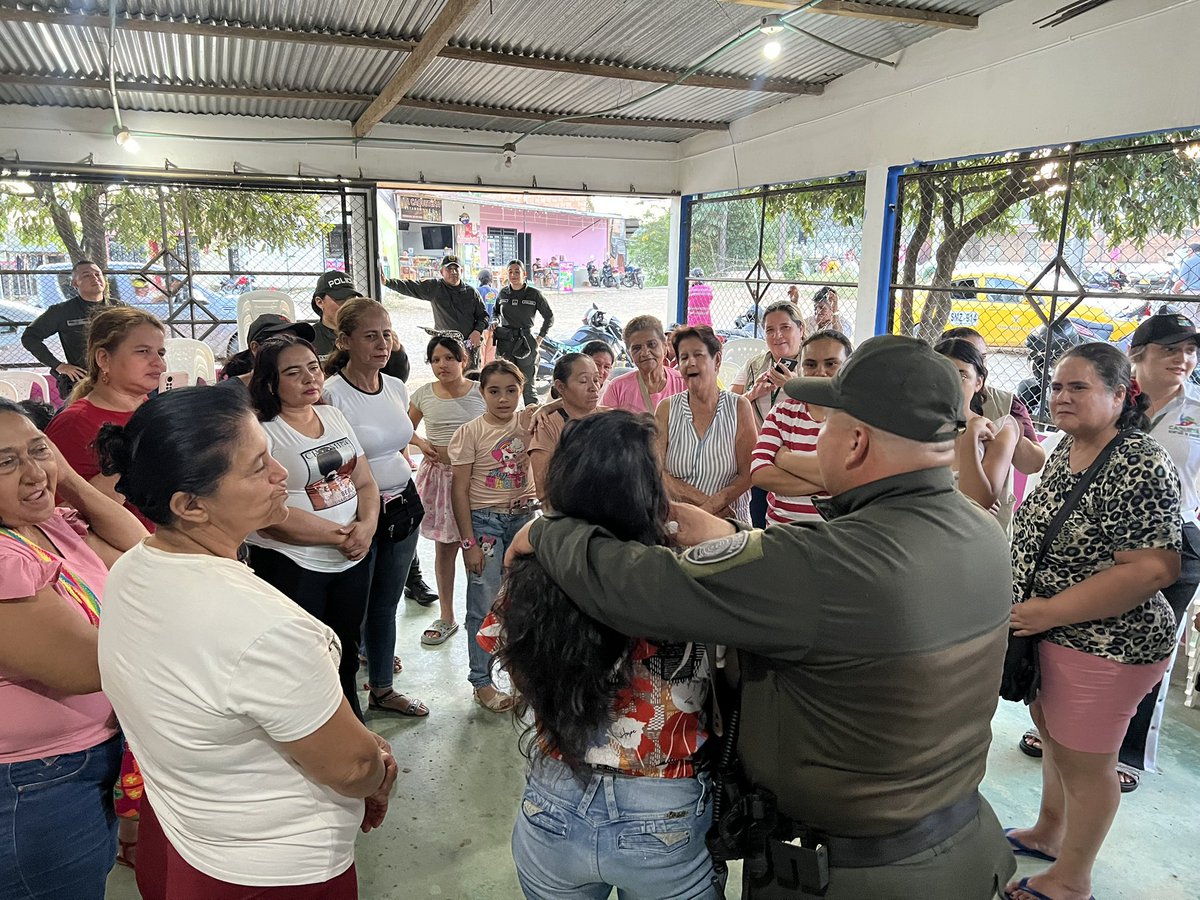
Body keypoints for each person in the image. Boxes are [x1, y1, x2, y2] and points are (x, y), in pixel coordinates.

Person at [508, 335, 1017, 899]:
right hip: (957, 845)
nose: (814, 433)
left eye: (824, 422)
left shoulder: (823, 563)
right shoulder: (981, 531)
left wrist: (551, 529)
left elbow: (636, 587)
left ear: (854, 442)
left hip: (850, 875)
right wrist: (739, 538)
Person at [94, 387, 397, 899]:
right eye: (259, 466)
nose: (282, 474)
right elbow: (350, 766)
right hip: (271, 869)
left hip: (184, 829)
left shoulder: (133, 569)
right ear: (189, 505)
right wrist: (377, 769)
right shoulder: (265, 626)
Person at [482, 411, 718, 899]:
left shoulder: (533, 572)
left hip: (554, 793)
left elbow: (510, 663)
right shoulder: (688, 575)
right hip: (663, 802)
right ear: (645, 489)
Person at [1005, 342, 1181, 900]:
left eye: (1078, 387)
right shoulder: (1071, 448)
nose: (1060, 396)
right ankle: (1050, 832)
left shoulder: (1138, 460)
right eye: (1057, 386)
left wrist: (1050, 610)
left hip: (1107, 645)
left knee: (1087, 764)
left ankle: (1071, 878)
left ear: (1120, 394)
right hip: (1052, 636)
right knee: (1055, 740)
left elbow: (1153, 566)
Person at [0, 399, 146, 900]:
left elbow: (138, 551)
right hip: (31, 784)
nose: (32, 471)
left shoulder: (43, 523)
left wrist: (70, 482)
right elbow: (86, 665)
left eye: (38, 449)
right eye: (5, 461)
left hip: (80, 765)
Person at [244, 338, 380, 720]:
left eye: (313, 367)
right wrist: (341, 536)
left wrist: (367, 526)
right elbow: (269, 513)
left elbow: (365, 482)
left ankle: (353, 724)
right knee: (305, 659)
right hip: (294, 565)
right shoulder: (261, 431)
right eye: (293, 372)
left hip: (350, 560)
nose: (309, 377)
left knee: (347, 652)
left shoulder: (333, 417)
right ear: (270, 383)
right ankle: (316, 736)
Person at [322, 299, 429, 718]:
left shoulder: (396, 386)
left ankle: (382, 689)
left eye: (386, 334)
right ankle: (342, 704)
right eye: (370, 336)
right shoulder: (331, 394)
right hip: (353, 513)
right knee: (353, 608)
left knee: (385, 605)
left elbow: (398, 441)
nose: (382, 344)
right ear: (344, 341)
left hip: (403, 504)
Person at [448, 359, 536, 713]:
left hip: (524, 518)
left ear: (522, 389)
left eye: (511, 390)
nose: (503, 399)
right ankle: (481, 681)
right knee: (483, 604)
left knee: (525, 602)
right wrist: (468, 543)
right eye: (494, 391)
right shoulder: (470, 432)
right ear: (481, 393)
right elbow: (459, 490)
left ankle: (520, 673)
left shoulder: (530, 422)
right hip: (484, 523)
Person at [46, 306, 166, 531]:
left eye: (160, 353)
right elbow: (57, 520)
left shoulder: (154, 410)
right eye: (143, 351)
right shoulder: (74, 424)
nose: (158, 363)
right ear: (103, 358)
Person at [409, 335, 487, 648]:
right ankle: (447, 615)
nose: (443, 365)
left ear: (463, 361)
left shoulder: (481, 391)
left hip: (477, 480)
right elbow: (402, 427)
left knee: (481, 547)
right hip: (439, 480)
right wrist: (421, 443)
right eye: (436, 359)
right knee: (445, 549)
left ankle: (481, 617)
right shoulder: (423, 394)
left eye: (449, 358)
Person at [751, 329, 851, 525]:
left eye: (831, 364)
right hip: (782, 534)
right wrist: (830, 483)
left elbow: (856, 479)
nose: (820, 372)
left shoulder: (859, 417)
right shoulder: (782, 412)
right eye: (810, 364)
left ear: (848, 367)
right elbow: (759, 473)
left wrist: (784, 459)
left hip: (838, 539)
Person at [658, 326, 755, 522]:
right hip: (679, 525)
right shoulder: (666, 409)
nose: (690, 362)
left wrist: (708, 510)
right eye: (683, 357)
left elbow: (749, 474)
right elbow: (657, 472)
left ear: (717, 360)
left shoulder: (739, 407)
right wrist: (706, 507)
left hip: (729, 524)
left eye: (698, 355)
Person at [731, 300, 806, 527]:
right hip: (761, 455)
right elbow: (729, 406)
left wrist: (794, 386)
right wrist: (754, 393)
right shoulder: (755, 365)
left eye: (785, 327)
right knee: (760, 524)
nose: (777, 335)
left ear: (800, 329)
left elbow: (827, 408)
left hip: (799, 456)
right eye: (770, 330)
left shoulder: (813, 365)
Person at [935, 337, 1020, 534]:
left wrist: (971, 435)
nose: (951, 382)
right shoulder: (917, 429)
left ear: (978, 382)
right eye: (942, 373)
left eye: (962, 374)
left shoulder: (998, 432)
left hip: (974, 543)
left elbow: (978, 500)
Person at [941, 326, 1046, 476]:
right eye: (968, 356)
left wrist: (1013, 436)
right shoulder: (919, 408)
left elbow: (1033, 465)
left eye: (982, 357)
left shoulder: (1006, 404)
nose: (980, 365)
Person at [21, 260, 120, 404]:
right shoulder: (62, 311)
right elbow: (30, 337)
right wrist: (58, 365)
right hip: (85, 383)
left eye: (98, 274)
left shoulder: (120, 308)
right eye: (86, 275)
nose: (95, 278)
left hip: (119, 378)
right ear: (75, 283)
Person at [384, 255, 489, 370]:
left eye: (456, 269)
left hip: (469, 346)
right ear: (441, 272)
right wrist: (387, 282)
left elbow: (483, 316)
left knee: (471, 379)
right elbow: (411, 287)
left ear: (461, 271)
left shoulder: (471, 292)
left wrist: (477, 331)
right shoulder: (435, 287)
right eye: (449, 269)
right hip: (446, 346)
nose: (453, 272)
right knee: (447, 376)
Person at [528, 353, 605, 508]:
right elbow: (544, 490)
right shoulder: (547, 424)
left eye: (596, 379)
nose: (594, 387)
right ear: (561, 387)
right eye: (583, 381)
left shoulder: (609, 419)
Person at [310, 272, 410, 383]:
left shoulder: (377, 333)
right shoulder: (310, 338)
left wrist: (397, 353)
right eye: (340, 299)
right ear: (319, 302)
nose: (348, 304)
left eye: (352, 298)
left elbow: (397, 380)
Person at [493, 260, 554, 406]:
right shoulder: (502, 293)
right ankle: (505, 419)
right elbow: (495, 312)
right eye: (510, 272)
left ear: (524, 274)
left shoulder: (533, 294)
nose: (513, 275)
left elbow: (549, 316)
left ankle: (533, 420)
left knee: (528, 384)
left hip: (526, 342)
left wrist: (540, 336)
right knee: (505, 381)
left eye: (517, 271)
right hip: (505, 341)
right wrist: (494, 321)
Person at [601, 315, 685, 414]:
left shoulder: (684, 384)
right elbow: (606, 426)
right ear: (629, 354)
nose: (645, 353)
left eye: (652, 344)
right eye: (637, 348)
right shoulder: (617, 388)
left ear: (664, 346)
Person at [221, 314, 317, 382]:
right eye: (281, 342)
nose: (292, 347)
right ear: (255, 347)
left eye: (296, 340)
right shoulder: (237, 388)